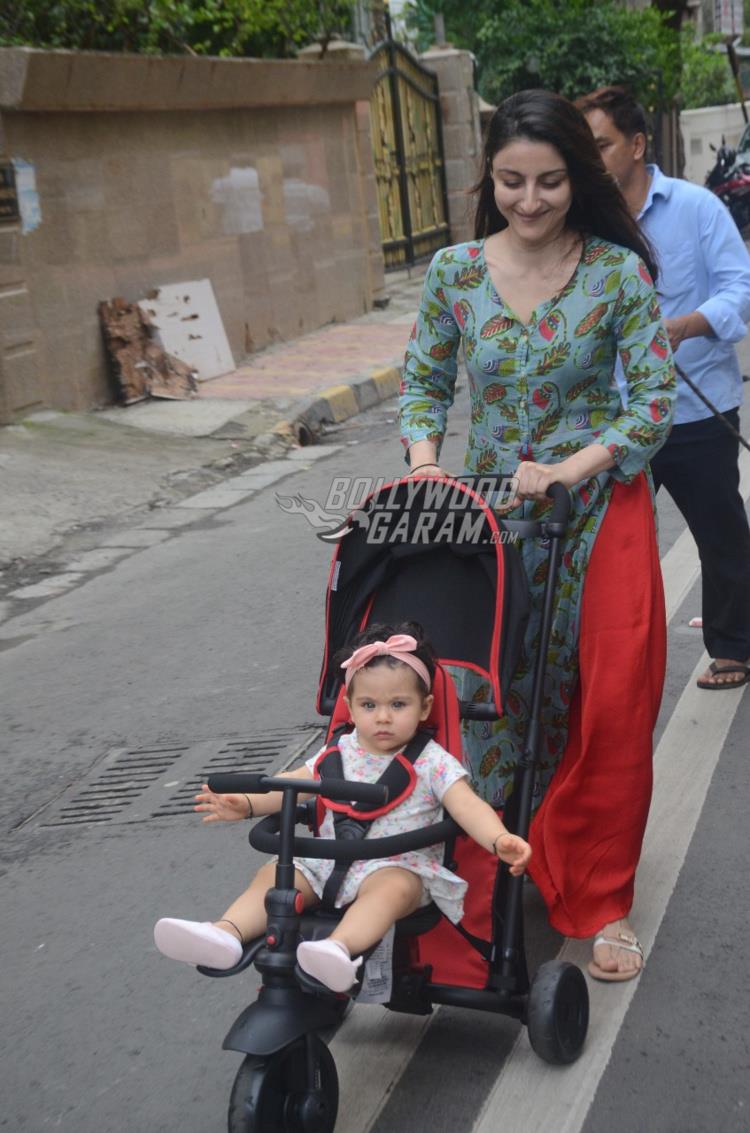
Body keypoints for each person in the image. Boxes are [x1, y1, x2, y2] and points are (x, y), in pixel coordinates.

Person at [400, 89, 676, 981]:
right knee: (489, 705)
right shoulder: (452, 273)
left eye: (550, 182)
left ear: (580, 177)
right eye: (512, 181)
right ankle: (487, 870)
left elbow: (654, 405)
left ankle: (601, 895)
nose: (529, 200)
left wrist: (572, 467)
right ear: (488, 176)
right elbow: (424, 383)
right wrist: (423, 462)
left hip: (597, 514)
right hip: (489, 523)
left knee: (601, 708)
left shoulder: (615, 274)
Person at [154, 624, 531, 993]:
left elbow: (467, 806)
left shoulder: (433, 762)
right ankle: (225, 935)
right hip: (328, 863)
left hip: (397, 866)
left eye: (398, 705)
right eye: (369, 705)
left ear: (424, 707)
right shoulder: (338, 751)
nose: (383, 717)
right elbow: (294, 784)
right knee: (273, 877)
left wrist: (498, 838)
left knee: (390, 890)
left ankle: (337, 950)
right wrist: (248, 804)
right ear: (350, 707)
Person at [578, 85, 750, 691]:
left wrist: (686, 325)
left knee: (719, 530)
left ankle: (733, 645)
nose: (590, 157)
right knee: (609, 548)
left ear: (637, 145)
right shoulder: (579, 219)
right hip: (608, 419)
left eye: (600, 144)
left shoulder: (697, 208)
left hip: (694, 403)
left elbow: (741, 288)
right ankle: (615, 667)